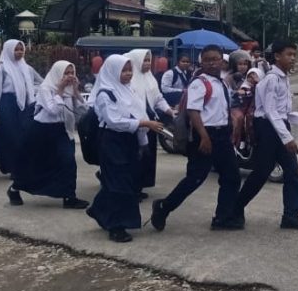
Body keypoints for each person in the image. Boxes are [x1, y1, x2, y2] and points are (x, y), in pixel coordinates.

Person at [151, 45, 242, 232]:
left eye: (215, 59)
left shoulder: (222, 82)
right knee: (195, 178)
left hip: (222, 136)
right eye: (207, 59)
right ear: (201, 61)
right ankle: (163, 207)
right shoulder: (198, 83)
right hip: (205, 136)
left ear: (221, 61)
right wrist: (204, 137)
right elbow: (193, 112)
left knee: (231, 176)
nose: (211, 63)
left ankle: (222, 218)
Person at [87, 54, 165, 243]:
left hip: (128, 140)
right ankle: (116, 226)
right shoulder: (106, 94)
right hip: (112, 141)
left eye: (130, 70)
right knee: (118, 184)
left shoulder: (128, 90)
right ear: (113, 71)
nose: (128, 74)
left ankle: (98, 209)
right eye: (124, 70)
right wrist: (145, 123)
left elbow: (138, 112)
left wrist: (142, 140)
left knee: (125, 180)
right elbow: (114, 121)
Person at [235, 40, 298, 230]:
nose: (293, 58)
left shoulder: (283, 78)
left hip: (277, 125)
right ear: (277, 56)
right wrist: (287, 138)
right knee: (261, 173)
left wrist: (291, 118)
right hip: (268, 128)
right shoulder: (271, 79)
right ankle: (234, 208)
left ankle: (291, 216)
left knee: (292, 172)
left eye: (294, 54)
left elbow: (279, 109)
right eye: (289, 54)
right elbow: (269, 111)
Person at [9, 60, 89, 209]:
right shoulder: (46, 88)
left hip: (63, 130)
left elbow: (83, 111)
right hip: (42, 131)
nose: (70, 76)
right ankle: (15, 189)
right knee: (36, 165)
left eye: (72, 73)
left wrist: (76, 92)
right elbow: (53, 110)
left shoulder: (70, 90)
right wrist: (59, 90)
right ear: (58, 73)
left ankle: (69, 196)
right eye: (66, 73)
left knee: (68, 162)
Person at [125, 48, 175, 197]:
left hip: (150, 122)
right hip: (135, 124)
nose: (147, 63)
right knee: (134, 157)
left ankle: (140, 186)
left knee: (147, 156)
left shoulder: (149, 77)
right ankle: (132, 188)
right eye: (144, 60)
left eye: (149, 60)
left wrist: (170, 111)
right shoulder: (129, 79)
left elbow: (158, 98)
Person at [0, 39, 41, 176]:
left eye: (21, 49)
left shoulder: (27, 68)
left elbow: (40, 82)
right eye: (16, 50)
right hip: (7, 104)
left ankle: (20, 167)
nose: (19, 52)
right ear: (8, 51)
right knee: (9, 136)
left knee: (24, 136)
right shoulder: (1, 70)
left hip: (24, 105)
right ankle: (11, 166)